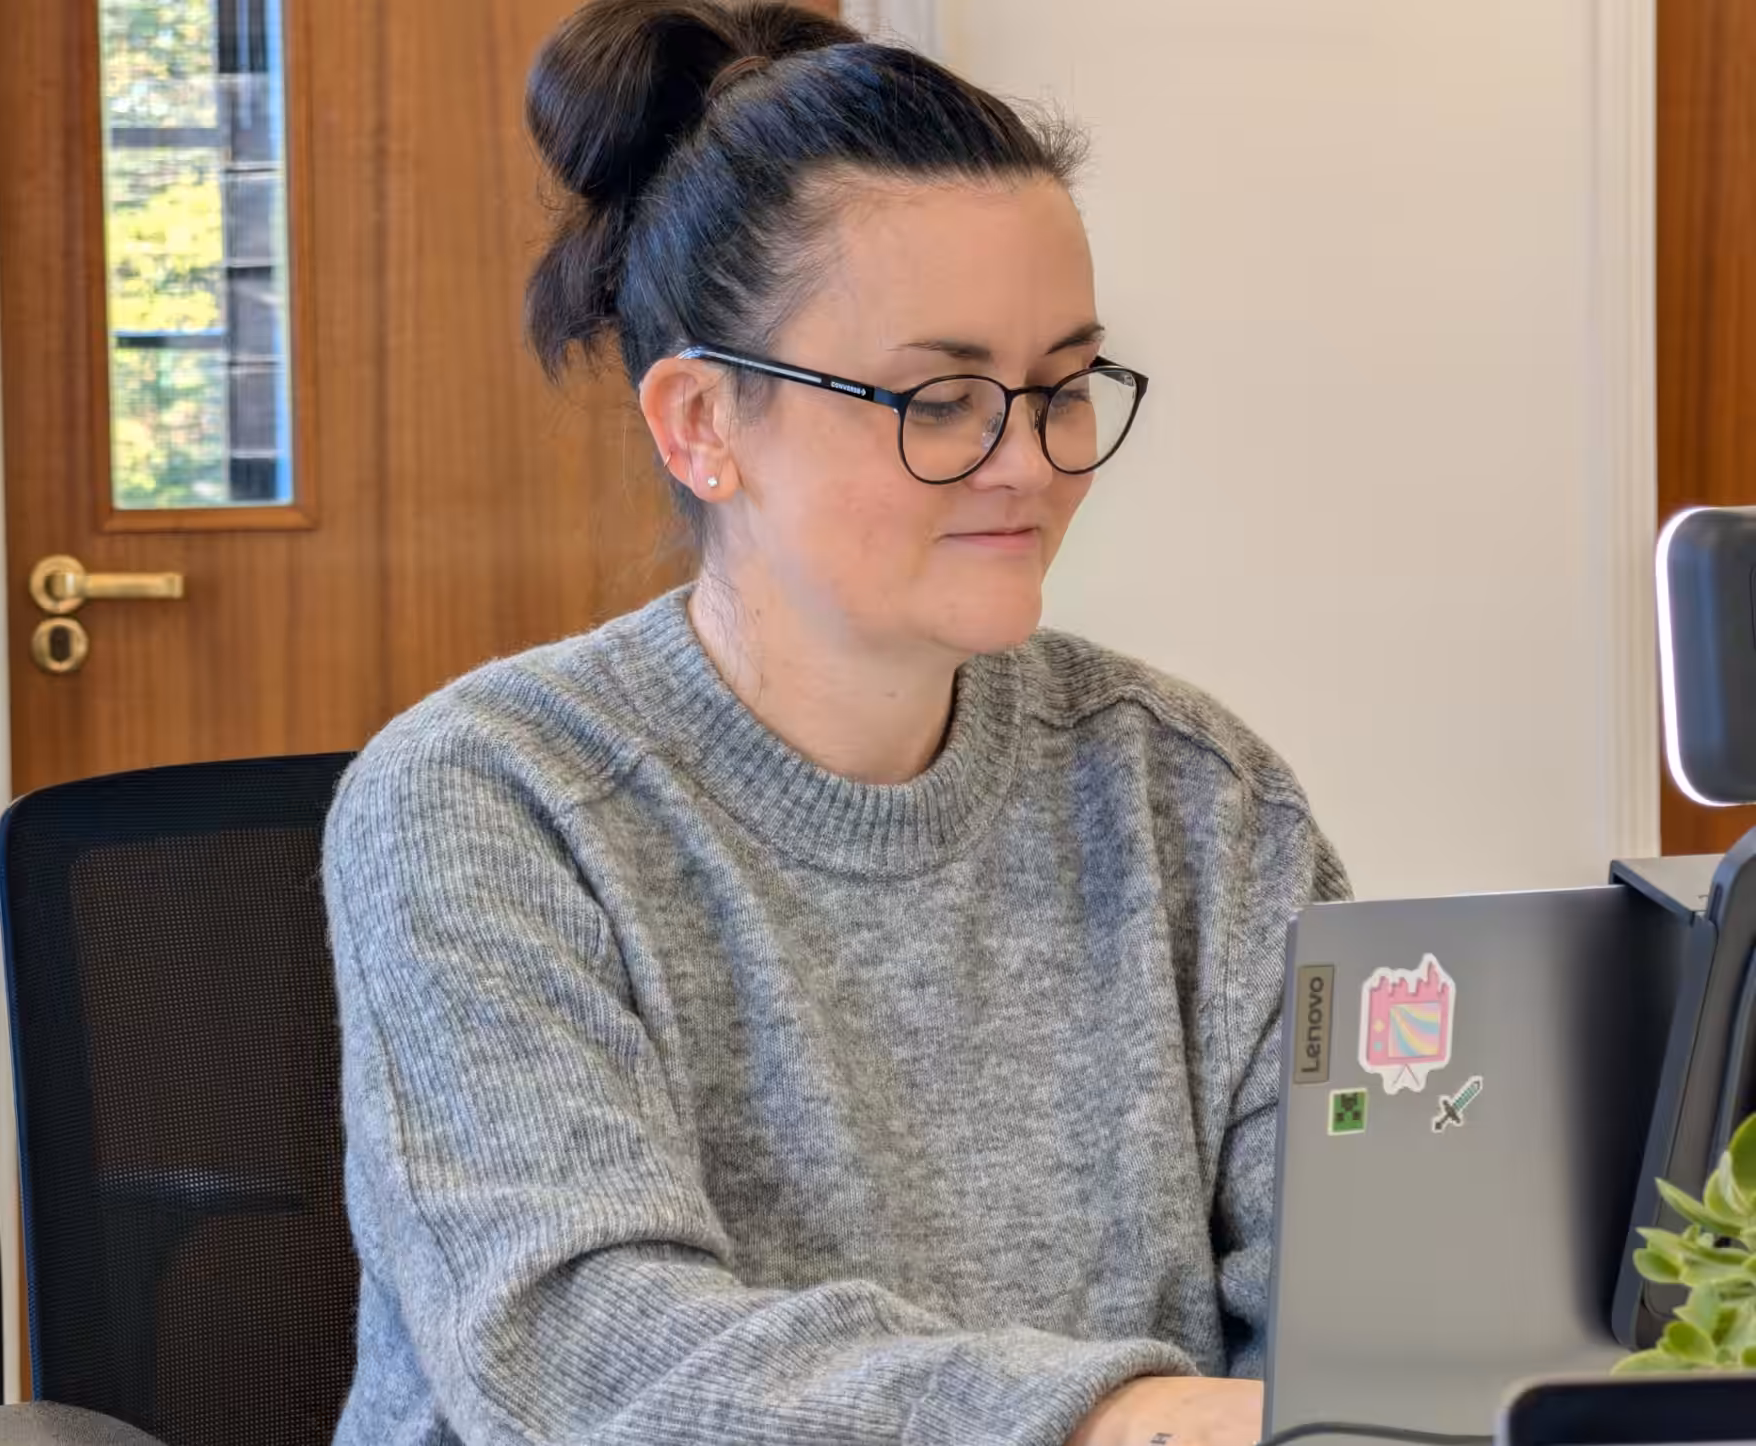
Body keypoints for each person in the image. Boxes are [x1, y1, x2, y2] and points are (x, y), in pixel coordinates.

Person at [322, 3, 1348, 1443]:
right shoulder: (487, 798)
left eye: (1062, 386)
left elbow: (1362, 1301)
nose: (1029, 460)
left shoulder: (1200, 799)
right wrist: (1107, 1420)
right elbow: (579, 1351)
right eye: (939, 398)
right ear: (700, 423)